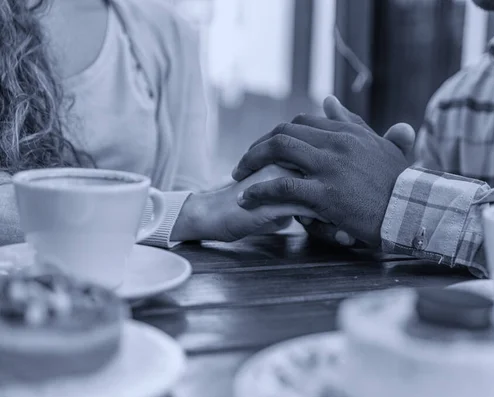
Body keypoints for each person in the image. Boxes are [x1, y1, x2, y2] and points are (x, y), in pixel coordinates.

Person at [233, 0, 494, 278]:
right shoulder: (459, 103)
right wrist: (359, 223)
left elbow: (408, 208)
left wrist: (400, 202)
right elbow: (426, 256)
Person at [0, 0, 320, 246]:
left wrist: (250, 196)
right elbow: (186, 211)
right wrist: (190, 213)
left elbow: (185, 195)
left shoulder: (169, 32)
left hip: (132, 295)